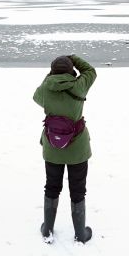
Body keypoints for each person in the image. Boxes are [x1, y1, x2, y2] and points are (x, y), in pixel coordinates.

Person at [33, 54, 97, 244]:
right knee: (78, 190)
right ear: (71, 70)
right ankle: (80, 234)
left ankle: (48, 230)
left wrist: (51, 75)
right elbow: (90, 71)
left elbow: (36, 97)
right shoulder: (79, 86)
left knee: (51, 187)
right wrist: (74, 58)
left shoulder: (46, 88)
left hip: (53, 147)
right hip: (78, 148)